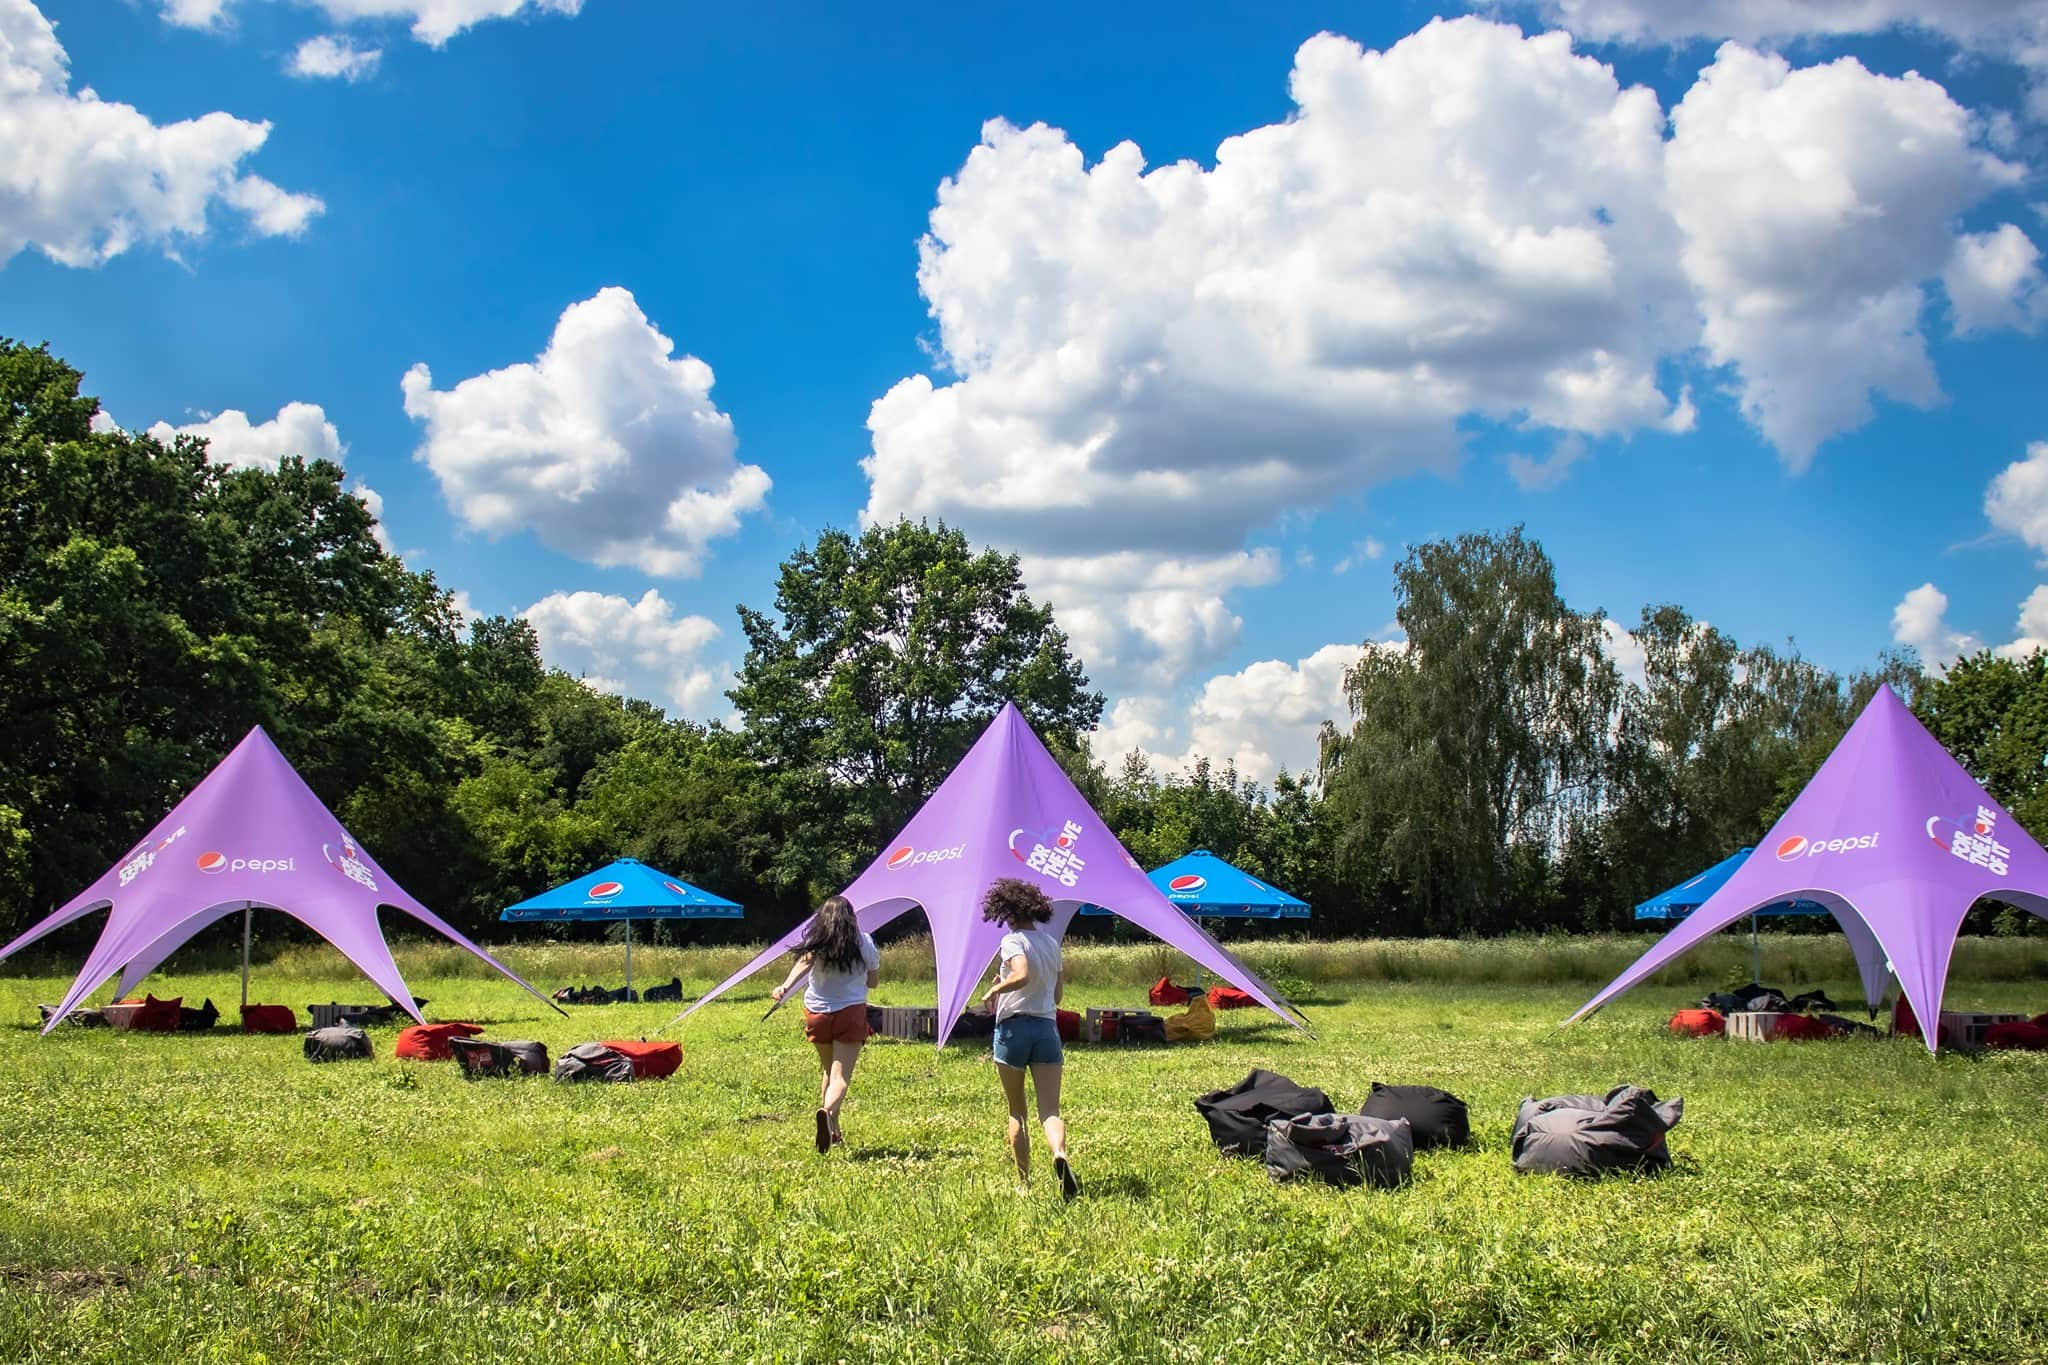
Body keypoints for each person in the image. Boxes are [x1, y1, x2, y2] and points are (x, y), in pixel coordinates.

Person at [978, 877, 1078, 1200]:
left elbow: (1021, 975)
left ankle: (1024, 1183)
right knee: (1049, 1110)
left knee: (1016, 1110)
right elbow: (1058, 994)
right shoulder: (1051, 944)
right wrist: (1006, 979)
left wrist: (996, 988)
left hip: (1013, 1030)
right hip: (1047, 1029)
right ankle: (1059, 1154)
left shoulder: (1012, 940)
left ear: (1006, 911)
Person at [769, 895, 879, 1154]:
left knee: (829, 1071)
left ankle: (833, 1130)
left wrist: (784, 986)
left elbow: (802, 964)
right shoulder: (864, 942)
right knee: (840, 1078)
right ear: (851, 918)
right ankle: (827, 1112)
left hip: (817, 1014)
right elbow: (873, 983)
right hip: (850, 1013)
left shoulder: (817, 943)